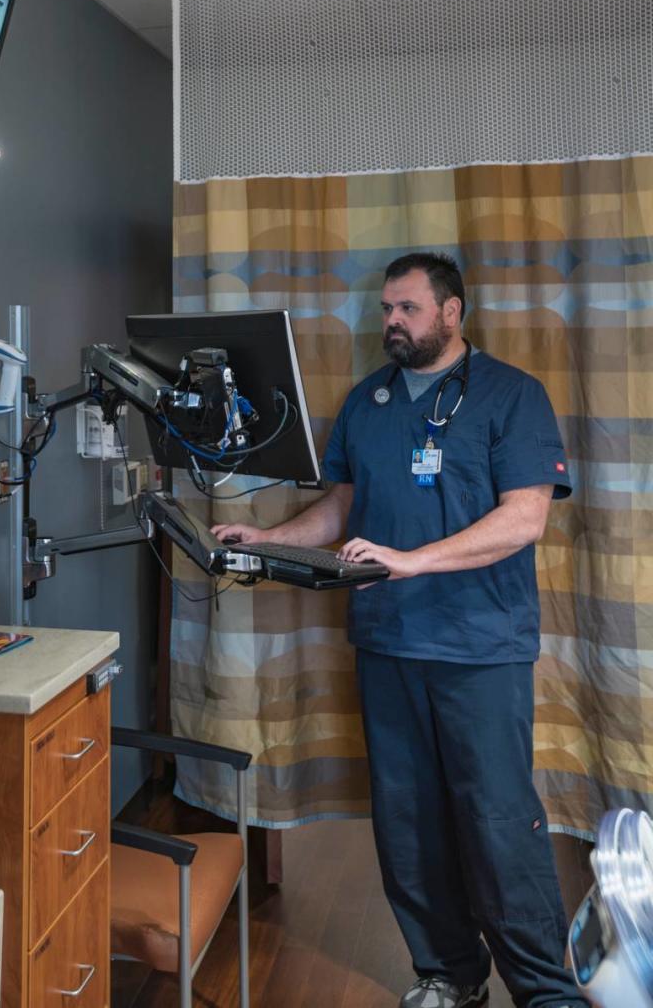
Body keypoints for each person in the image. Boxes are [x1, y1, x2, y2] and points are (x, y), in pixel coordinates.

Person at [212, 252, 587, 1008]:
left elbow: (526, 516)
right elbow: (343, 508)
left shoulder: (512, 396)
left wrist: (413, 560)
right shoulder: (368, 402)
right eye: (387, 308)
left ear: (451, 312)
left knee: (498, 822)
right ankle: (447, 972)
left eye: (408, 308)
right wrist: (271, 540)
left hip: (478, 646)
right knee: (408, 822)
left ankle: (548, 991)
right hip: (387, 643)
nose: (392, 321)